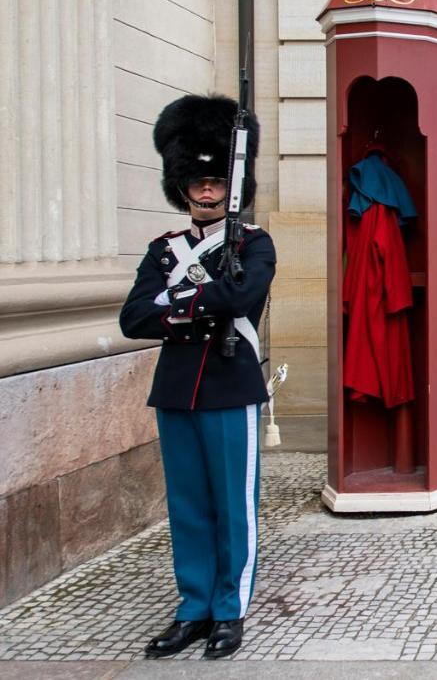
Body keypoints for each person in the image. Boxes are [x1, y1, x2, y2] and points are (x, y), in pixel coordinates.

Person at [119, 94, 275, 659]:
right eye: (196, 183)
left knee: (234, 506)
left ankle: (229, 610)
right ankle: (193, 608)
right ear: (182, 188)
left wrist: (178, 303)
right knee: (187, 505)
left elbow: (242, 293)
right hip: (176, 390)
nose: (206, 191)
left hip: (231, 388)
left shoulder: (253, 244)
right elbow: (134, 317)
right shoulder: (163, 250)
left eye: (214, 182)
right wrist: (197, 303)